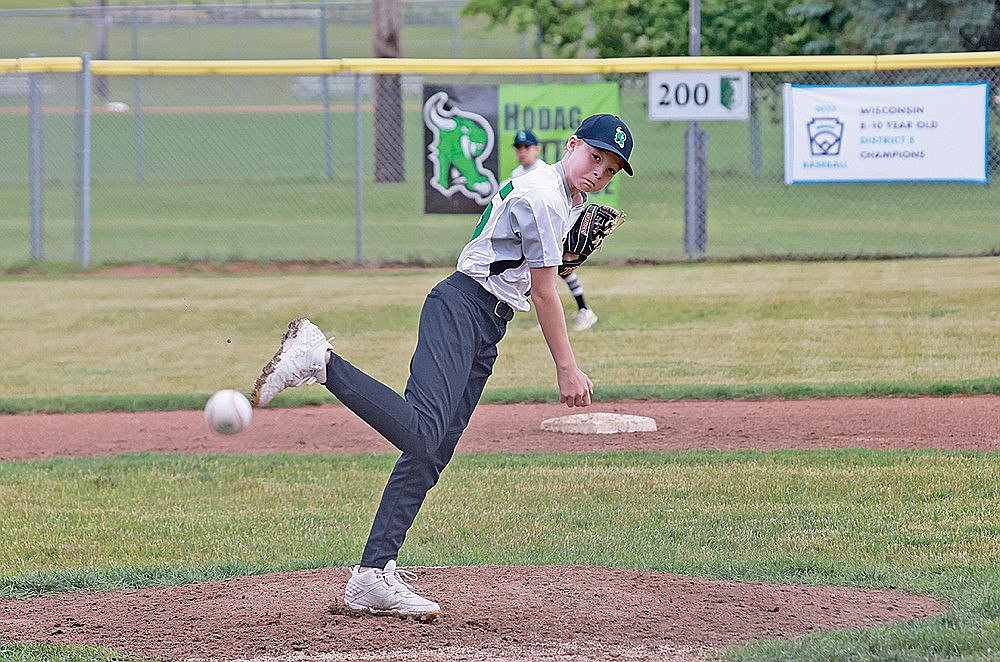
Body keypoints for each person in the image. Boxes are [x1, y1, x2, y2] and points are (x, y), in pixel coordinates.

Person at [250, 113, 634, 621]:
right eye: (595, 157)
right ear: (572, 146)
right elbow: (544, 293)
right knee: (422, 434)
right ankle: (319, 360)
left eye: (610, 170)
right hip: (461, 308)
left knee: (433, 451)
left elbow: (526, 266)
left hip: (485, 323)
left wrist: (561, 255)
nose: (598, 173)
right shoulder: (544, 196)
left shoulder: (565, 200)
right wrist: (567, 365)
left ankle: (371, 575)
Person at [511, 129, 599, 332]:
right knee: (544, 276)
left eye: (526, 147)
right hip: (530, 231)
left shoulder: (543, 170)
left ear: (536, 149)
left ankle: (584, 310)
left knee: (559, 271)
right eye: (518, 147)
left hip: (553, 226)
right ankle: (564, 315)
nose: (522, 151)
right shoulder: (516, 174)